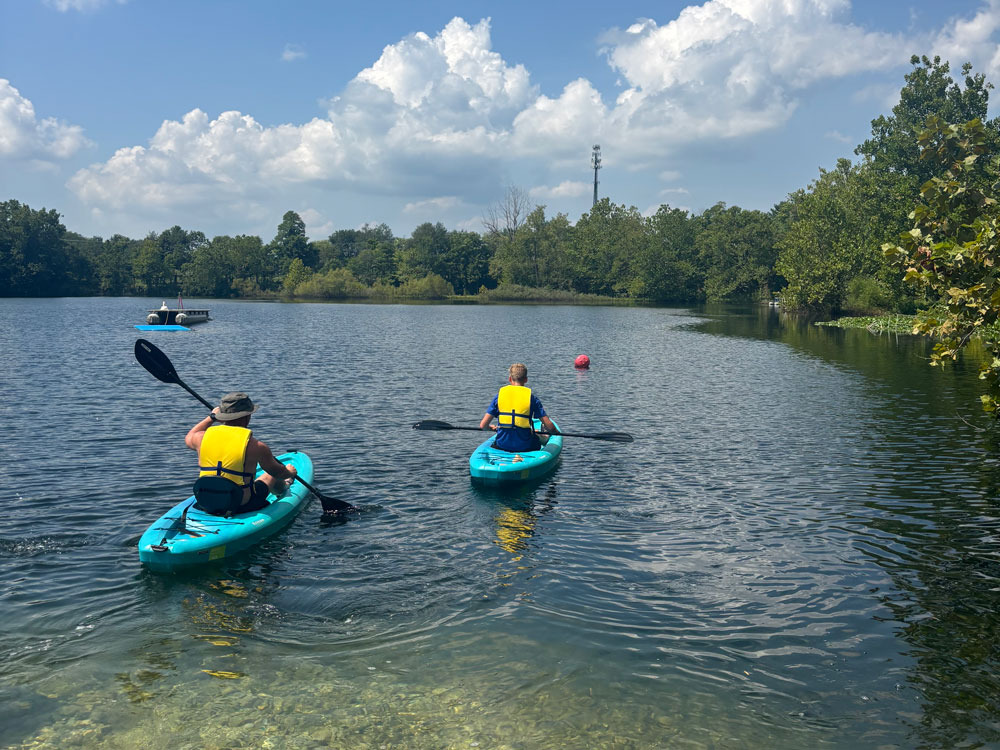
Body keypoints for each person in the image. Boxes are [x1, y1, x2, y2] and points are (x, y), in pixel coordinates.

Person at [184, 392, 297, 514]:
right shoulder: (257, 446)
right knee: (270, 475)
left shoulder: (201, 438)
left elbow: (189, 436)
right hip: (241, 505)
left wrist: (211, 417)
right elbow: (278, 472)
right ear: (247, 416)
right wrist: (289, 472)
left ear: (221, 416)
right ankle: (284, 487)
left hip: (206, 502)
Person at [479, 363, 558, 453]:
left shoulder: (499, 397)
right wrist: (556, 433)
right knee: (542, 437)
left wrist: (490, 428)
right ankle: (541, 435)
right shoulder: (532, 399)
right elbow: (550, 427)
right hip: (526, 446)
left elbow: (483, 426)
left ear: (510, 379)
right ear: (526, 379)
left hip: (502, 444)